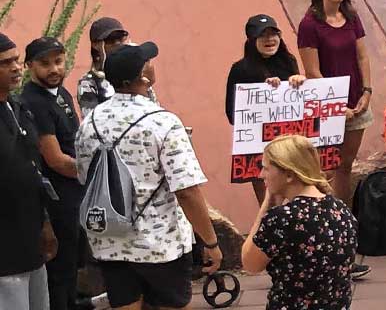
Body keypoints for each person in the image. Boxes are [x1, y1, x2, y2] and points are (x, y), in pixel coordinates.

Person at [75, 40, 225, 310]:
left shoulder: (90, 122)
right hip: (159, 245)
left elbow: (84, 176)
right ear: (144, 77)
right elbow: (187, 190)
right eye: (148, 62)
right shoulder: (163, 122)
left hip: (110, 240)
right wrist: (211, 242)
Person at [238, 135, 357, 310]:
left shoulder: (282, 219)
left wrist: (267, 204)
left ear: (288, 174)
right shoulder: (341, 210)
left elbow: (250, 263)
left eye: (266, 168)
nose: (261, 174)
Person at [295, 0, 374, 207]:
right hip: (326, 105)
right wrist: (336, 106)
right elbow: (312, 71)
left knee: (345, 165)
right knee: (326, 167)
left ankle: (344, 216)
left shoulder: (351, 16)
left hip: (356, 101)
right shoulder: (310, 24)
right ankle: (325, 216)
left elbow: (363, 56)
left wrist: (367, 91)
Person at [19, 36, 78, 310]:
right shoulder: (33, 102)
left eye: (58, 61)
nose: (54, 69)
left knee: (72, 266)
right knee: (59, 270)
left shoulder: (62, 94)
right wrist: (95, 173)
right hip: (57, 200)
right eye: (45, 63)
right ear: (30, 65)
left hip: (75, 193)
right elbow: (56, 160)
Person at [223, 15, 304, 204]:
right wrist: (263, 90)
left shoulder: (289, 61)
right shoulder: (240, 70)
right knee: (269, 203)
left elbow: (298, 104)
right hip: (259, 147)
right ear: (252, 41)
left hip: (288, 143)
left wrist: (298, 82)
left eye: (273, 34)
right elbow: (232, 113)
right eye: (263, 36)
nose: (269, 40)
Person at [0, 32, 54, 310]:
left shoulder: (18, 106)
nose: (16, 68)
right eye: (5, 63)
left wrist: (44, 222)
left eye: (17, 61)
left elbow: (34, 169)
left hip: (31, 236)